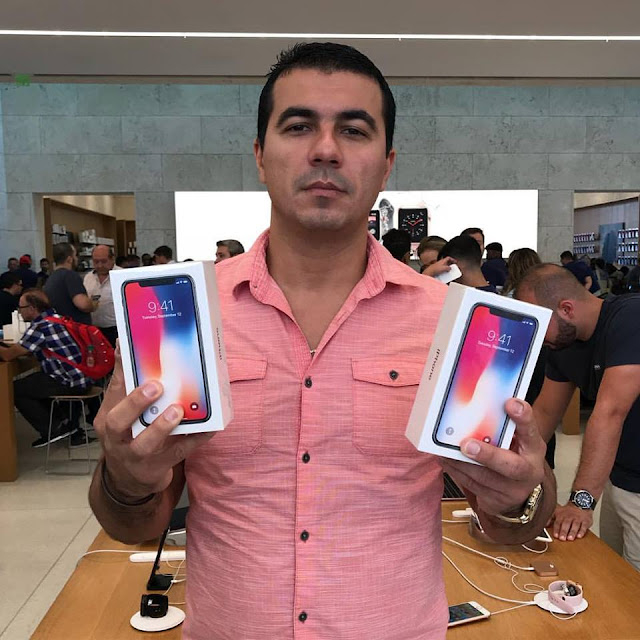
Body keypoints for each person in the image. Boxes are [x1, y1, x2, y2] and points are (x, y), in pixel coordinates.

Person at [89, 42, 554, 640]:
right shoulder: (183, 317)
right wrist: (126, 477)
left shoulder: (457, 325)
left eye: (354, 130)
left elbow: (516, 525)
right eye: (299, 125)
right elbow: (131, 525)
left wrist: (521, 496)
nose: (326, 149)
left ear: (386, 165)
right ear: (260, 156)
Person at [516, 264, 640, 570]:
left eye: (540, 324)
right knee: (614, 572)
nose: (537, 337)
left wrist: (580, 501)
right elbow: (545, 412)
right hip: (619, 476)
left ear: (566, 309)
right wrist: (509, 469)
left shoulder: (631, 319)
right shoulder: (563, 344)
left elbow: (609, 414)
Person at [0, 289, 94, 448]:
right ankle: (65, 424)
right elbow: (28, 348)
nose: (19, 312)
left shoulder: (40, 326)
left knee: (15, 389)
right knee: (35, 382)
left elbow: (8, 355)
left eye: (21, 308)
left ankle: (54, 429)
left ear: (32, 308)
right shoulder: (57, 318)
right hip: (83, 377)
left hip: (69, 382)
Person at [502, 248, 555, 468]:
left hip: (518, 360)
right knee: (542, 411)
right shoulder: (549, 295)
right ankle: (546, 464)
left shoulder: (509, 298)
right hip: (545, 355)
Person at [44, 243, 97, 325]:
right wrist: (93, 304)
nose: (77, 259)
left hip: (60, 325)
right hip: (75, 327)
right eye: (75, 255)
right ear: (69, 259)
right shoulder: (70, 276)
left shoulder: (50, 278)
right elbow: (82, 304)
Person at [83, 245, 121, 347]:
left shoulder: (121, 275)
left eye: (104, 261)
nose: (100, 265)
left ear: (112, 259)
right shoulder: (88, 277)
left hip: (116, 329)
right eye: (96, 262)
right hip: (94, 329)